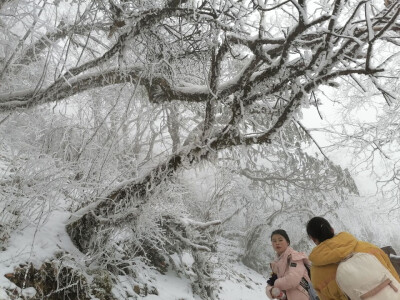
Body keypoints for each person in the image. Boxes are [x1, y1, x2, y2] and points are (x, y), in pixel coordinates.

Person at [306, 216, 400, 300]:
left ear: (313, 239)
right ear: (332, 229)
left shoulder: (316, 274)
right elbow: (394, 276)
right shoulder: (368, 248)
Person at [266, 229, 311, 300]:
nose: (277, 243)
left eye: (280, 240)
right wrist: (271, 290)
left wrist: (276, 284)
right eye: (274, 241)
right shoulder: (275, 264)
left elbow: (293, 279)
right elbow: (270, 283)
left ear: (287, 242)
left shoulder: (295, 257)